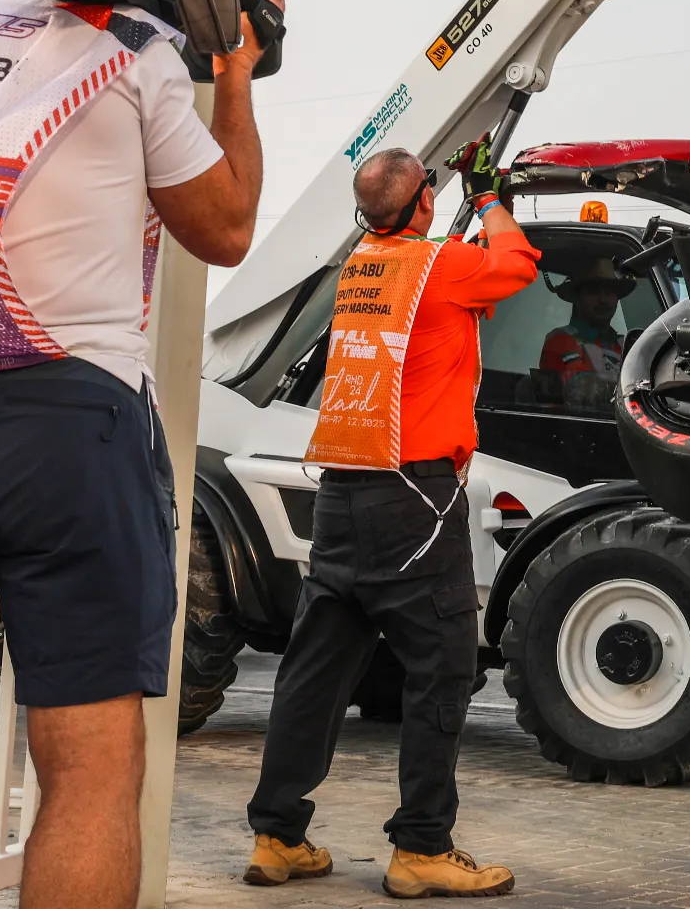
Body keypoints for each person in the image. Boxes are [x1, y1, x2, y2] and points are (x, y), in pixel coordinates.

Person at [0, 0, 280, 905]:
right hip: (65, 431)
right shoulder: (122, 42)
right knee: (87, 773)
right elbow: (224, 227)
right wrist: (235, 78)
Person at [244, 144, 536, 898]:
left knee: (313, 674)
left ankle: (277, 836)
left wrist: (450, 208)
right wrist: (493, 196)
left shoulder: (363, 268)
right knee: (444, 669)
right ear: (425, 204)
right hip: (412, 499)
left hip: (341, 491)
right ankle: (421, 850)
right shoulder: (444, 267)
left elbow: (431, 275)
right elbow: (517, 263)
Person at [536, 255, 631, 407]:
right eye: (593, 292)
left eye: (609, 292)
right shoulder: (561, 339)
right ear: (577, 297)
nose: (602, 300)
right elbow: (583, 391)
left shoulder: (626, 345)